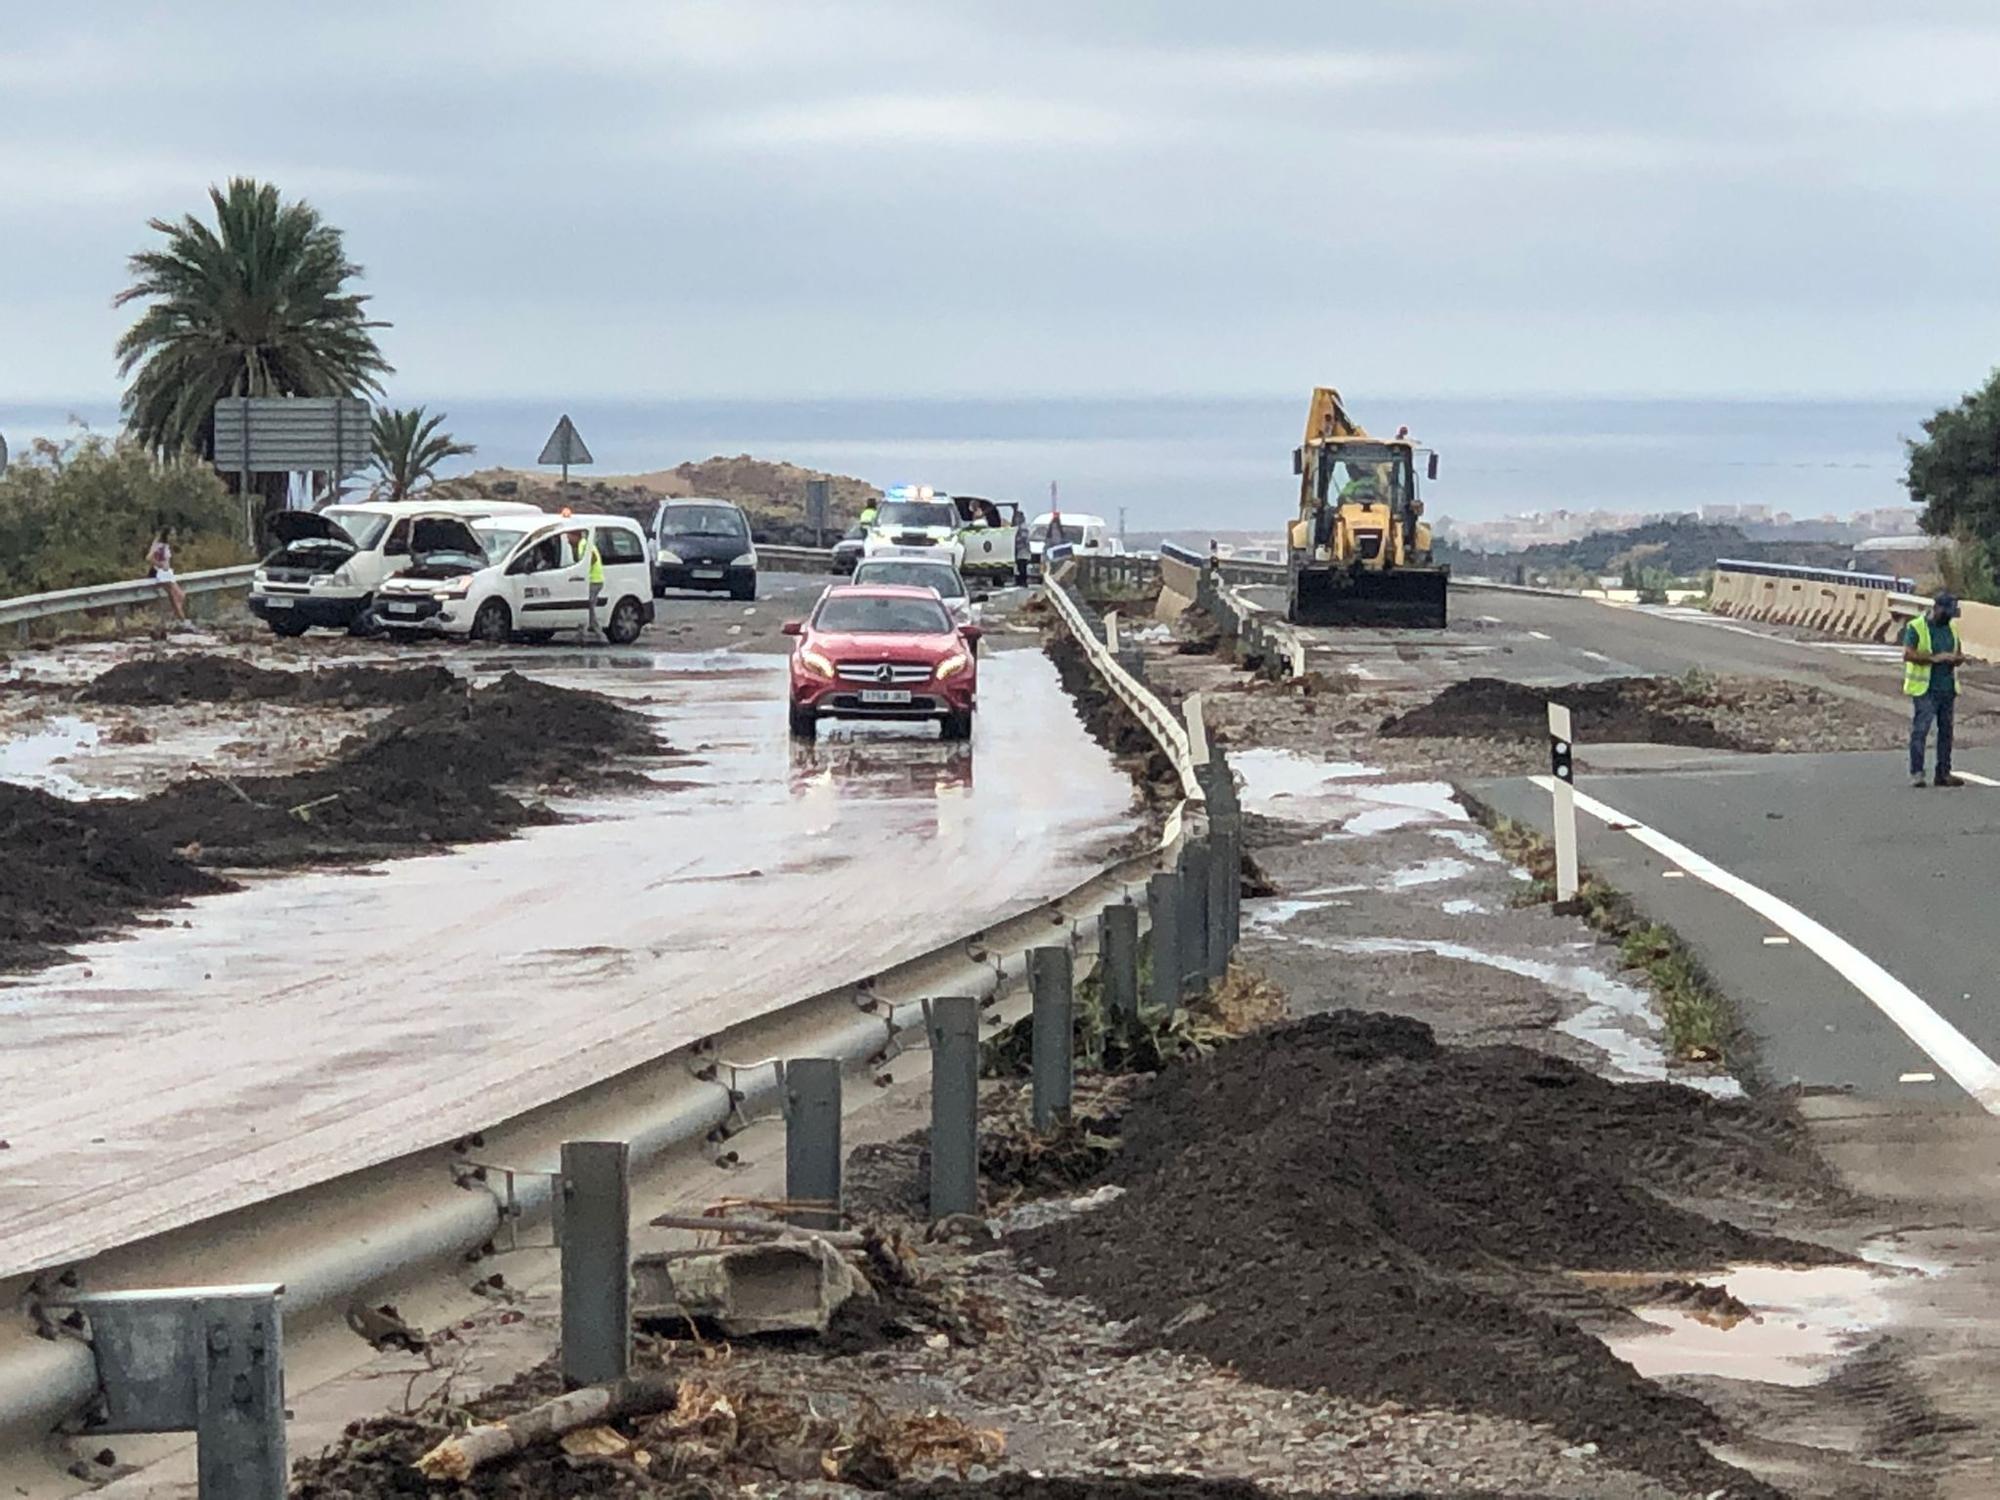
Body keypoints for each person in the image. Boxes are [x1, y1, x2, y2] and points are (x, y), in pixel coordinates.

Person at [1904, 591, 1965, 788]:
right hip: (1925, 688)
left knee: (1946, 731)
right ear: (1936, 608)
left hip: (1947, 687)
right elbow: (1908, 654)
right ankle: (1917, 772)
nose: (1949, 616)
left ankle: (1943, 773)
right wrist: (1935, 658)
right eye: (1946, 611)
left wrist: (1956, 659)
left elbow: (1959, 652)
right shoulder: (1916, 627)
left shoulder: (1952, 629)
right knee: (1921, 730)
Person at [571, 524, 606, 641]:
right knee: (585, 605)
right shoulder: (584, 542)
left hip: (593, 580)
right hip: (594, 579)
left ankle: (598, 633)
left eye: (569, 536)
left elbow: (593, 558)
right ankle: (582, 632)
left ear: (575, 535)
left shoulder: (583, 544)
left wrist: (584, 570)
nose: (567, 539)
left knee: (589, 606)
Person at [146, 528, 188, 624]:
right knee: (176, 595)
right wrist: (160, 565)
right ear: (167, 535)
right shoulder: (159, 545)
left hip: (167, 573)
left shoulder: (166, 546)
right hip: (160, 573)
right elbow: (149, 558)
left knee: (179, 596)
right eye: (171, 535)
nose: (173, 537)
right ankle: (182, 620)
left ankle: (179, 618)